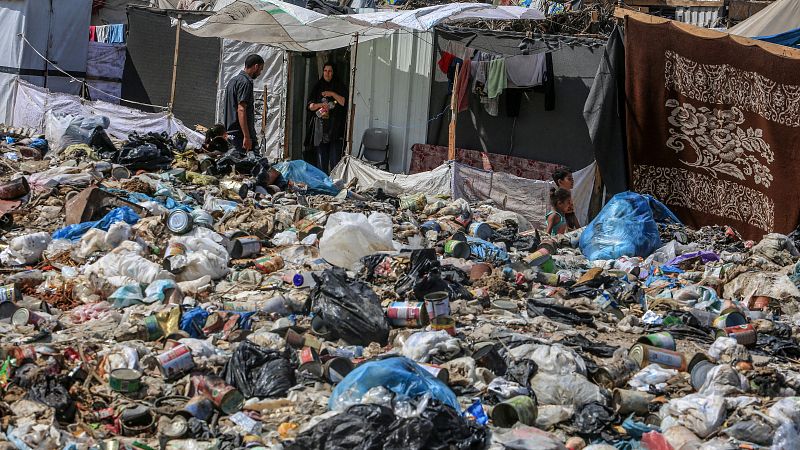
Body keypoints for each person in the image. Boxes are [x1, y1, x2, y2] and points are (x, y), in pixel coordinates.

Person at [306, 62, 347, 174]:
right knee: (321, 162)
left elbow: (343, 102)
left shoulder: (339, 86)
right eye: (325, 71)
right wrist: (321, 105)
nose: (327, 73)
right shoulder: (318, 87)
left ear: (333, 73)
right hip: (321, 130)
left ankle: (334, 181)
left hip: (335, 130)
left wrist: (332, 94)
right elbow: (310, 106)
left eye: (330, 71)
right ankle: (322, 181)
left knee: (335, 161)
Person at [224, 54, 264, 154]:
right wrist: (246, 136)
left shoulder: (232, 81)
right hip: (240, 136)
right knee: (254, 161)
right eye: (260, 69)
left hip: (231, 133)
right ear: (256, 66)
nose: (260, 73)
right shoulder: (245, 83)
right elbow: (241, 109)